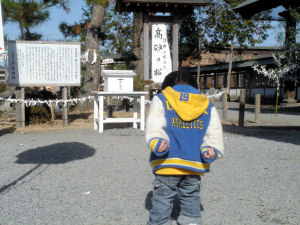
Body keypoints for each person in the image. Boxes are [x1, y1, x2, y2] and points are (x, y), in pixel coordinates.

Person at [145, 70, 224, 225]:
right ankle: (191, 221)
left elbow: (154, 123)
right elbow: (213, 131)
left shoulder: (162, 99)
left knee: (163, 198)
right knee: (191, 196)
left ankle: (159, 222)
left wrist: (157, 140)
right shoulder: (207, 105)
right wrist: (211, 149)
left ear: (166, 87)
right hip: (194, 163)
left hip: (167, 161)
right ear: (195, 87)